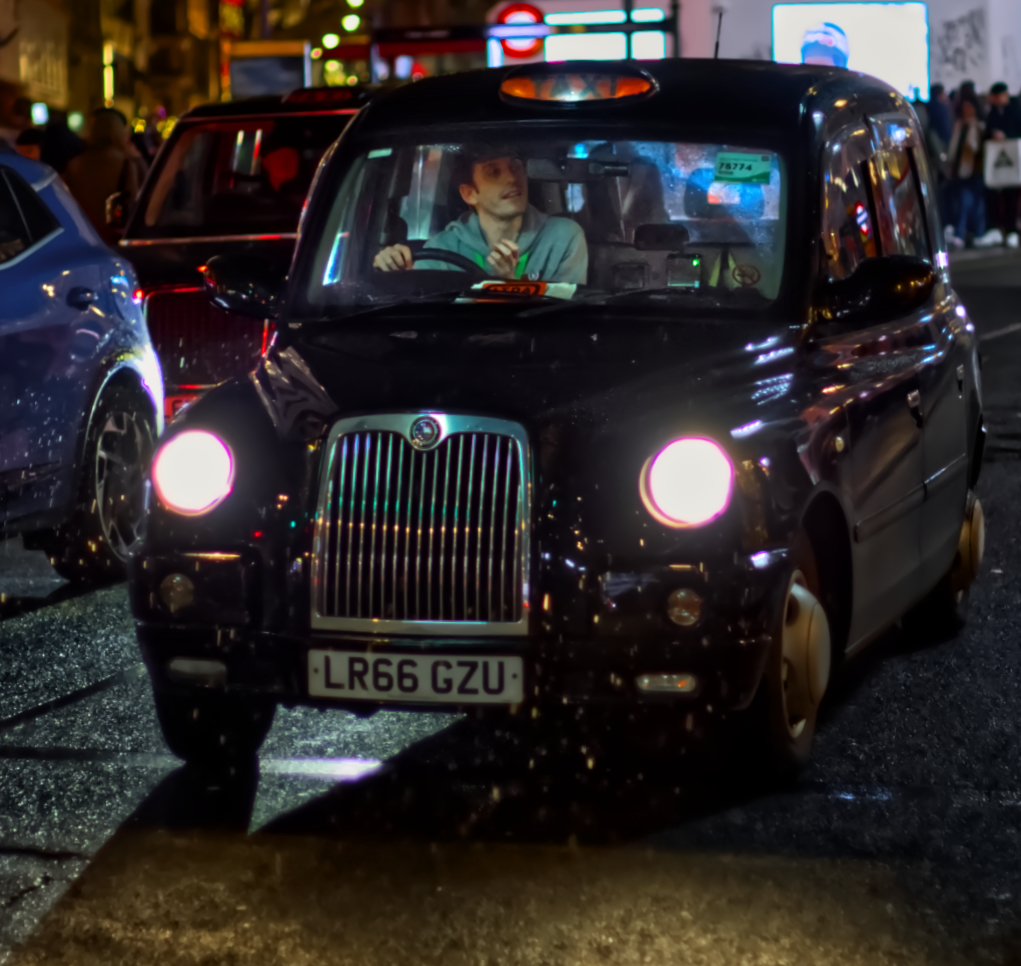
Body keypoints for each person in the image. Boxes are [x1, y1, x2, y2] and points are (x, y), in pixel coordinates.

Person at [374, 148, 588, 284]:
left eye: (516, 167)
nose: (512, 179)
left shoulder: (563, 237)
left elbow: (566, 325)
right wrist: (398, 274)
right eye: (493, 172)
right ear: (469, 193)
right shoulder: (441, 249)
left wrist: (510, 287)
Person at [63, 108, 142, 246]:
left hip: (82, 237)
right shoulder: (125, 163)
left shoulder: (74, 164)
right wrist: (138, 158)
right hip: (113, 239)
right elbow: (136, 202)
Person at [945, 96, 990, 248]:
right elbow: (954, 149)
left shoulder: (978, 126)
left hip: (974, 170)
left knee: (970, 203)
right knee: (967, 203)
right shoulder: (959, 126)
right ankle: (973, 233)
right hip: (961, 171)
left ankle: (966, 233)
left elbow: (975, 147)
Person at [983, 81, 1021, 247]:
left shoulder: (1016, 110)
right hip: (995, 161)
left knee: (1011, 196)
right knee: (993, 194)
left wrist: (1007, 136)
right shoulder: (992, 112)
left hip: (1012, 159)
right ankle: (995, 229)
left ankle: (1012, 230)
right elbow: (986, 132)